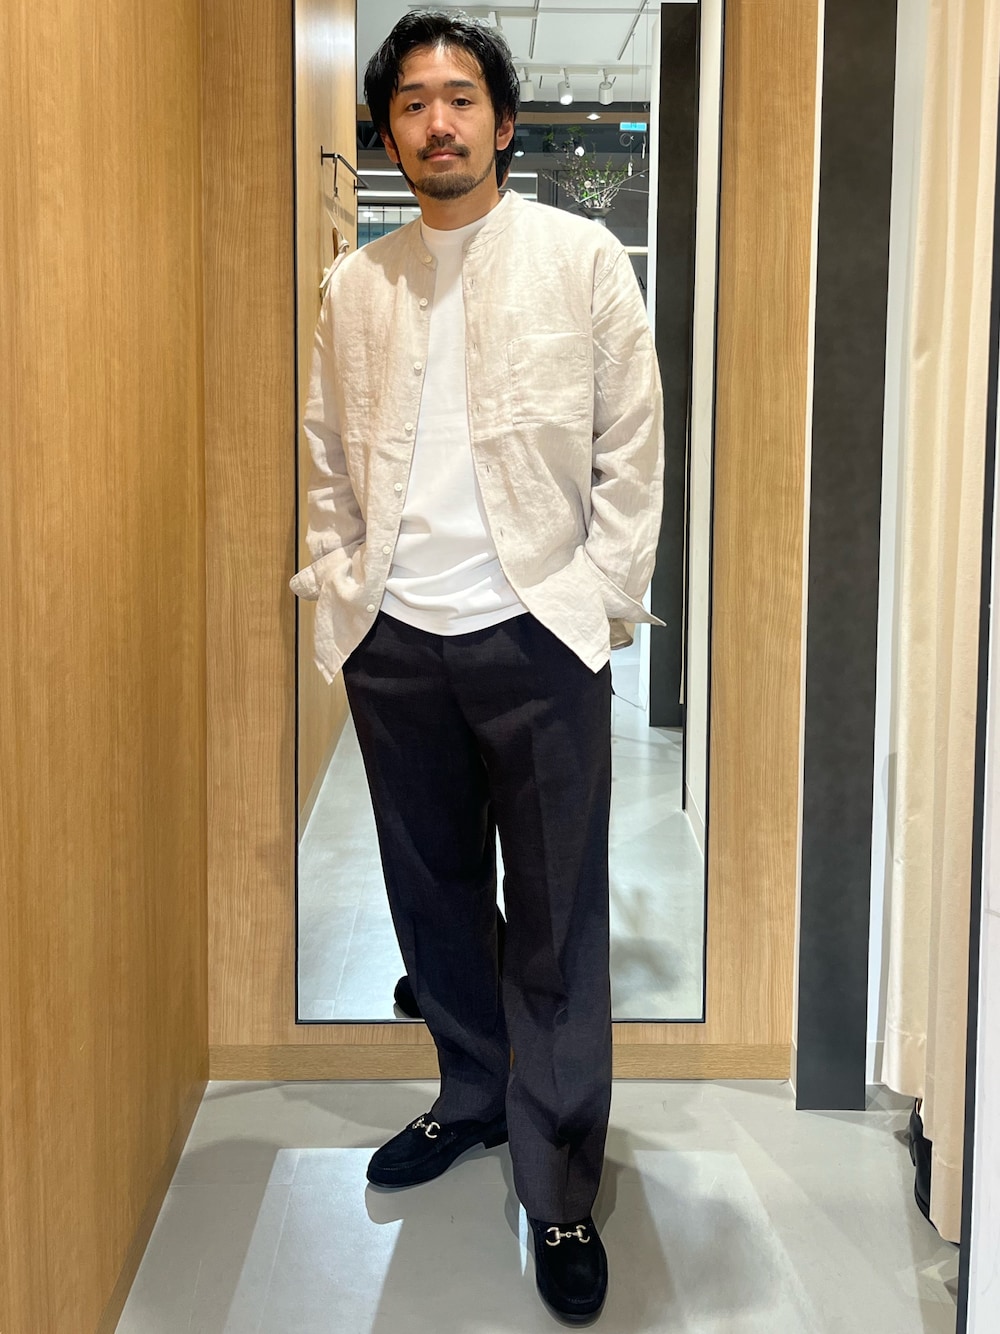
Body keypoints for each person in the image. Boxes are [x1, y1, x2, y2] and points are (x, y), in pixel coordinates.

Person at [290, 9, 663, 1323]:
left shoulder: (580, 257)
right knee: (433, 895)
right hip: (398, 643)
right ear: (387, 133)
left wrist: (595, 604)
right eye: (410, 102)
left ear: (503, 124)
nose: (436, 121)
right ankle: (470, 1094)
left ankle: (558, 1179)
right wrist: (347, 584)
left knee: (556, 918)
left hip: (539, 636)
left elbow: (633, 446)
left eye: (459, 98)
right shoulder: (357, 285)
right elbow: (328, 455)